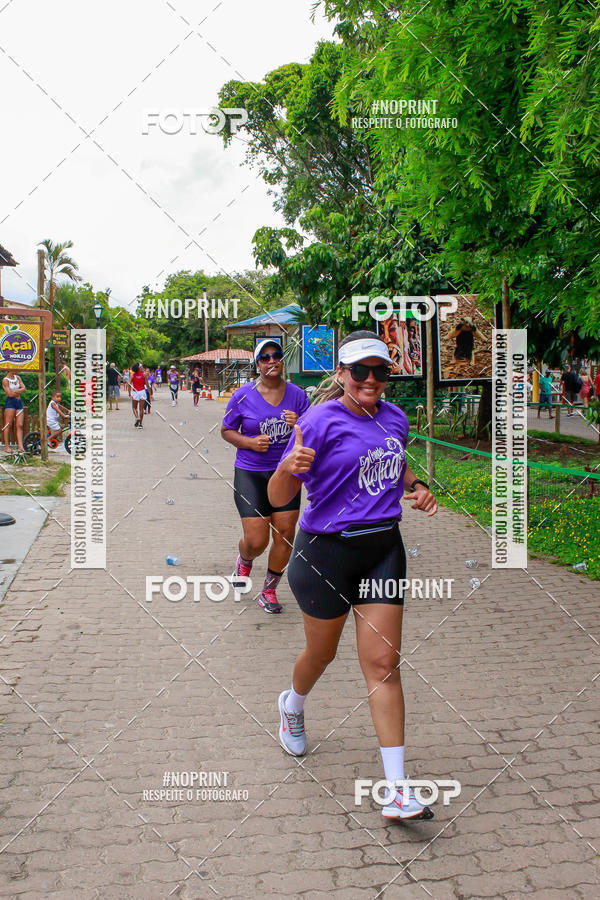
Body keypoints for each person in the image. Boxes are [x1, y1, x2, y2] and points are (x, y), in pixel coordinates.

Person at [268, 331, 438, 821]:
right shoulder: (319, 421)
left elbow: (395, 459)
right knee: (321, 654)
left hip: (384, 548)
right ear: (341, 374)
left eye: (379, 371)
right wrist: (289, 467)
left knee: (384, 664)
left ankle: (398, 789)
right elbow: (280, 494)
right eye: (359, 371)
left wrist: (419, 486)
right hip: (325, 554)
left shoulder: (395, 417)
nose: (370, 380)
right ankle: (293, 704)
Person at [221, 339, 310, 613]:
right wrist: (249, 443)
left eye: (276, 356)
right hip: (251, 473)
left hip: (285, 474)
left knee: (285, 534)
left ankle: (269, 590)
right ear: (257, 364)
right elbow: (226, 429)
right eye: (265, 358)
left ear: (282, 360)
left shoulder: (297, 395)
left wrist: (300, 423)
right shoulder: (242, 396)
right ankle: (244, 560)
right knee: (257, 541)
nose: (272, 361)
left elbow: (313, 430)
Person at [2, 369, 26, 453]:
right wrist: (18, 392)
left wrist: (15, 391)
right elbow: (9, 394)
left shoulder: (18, 377)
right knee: (8, 424)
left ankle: (20, 446)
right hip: (10, 403)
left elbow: (24, 389)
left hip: (18, 402)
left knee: (19, 424)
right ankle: (7, 447)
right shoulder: (5, 380)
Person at [129, 362, 149, 428]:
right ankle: (140, 424)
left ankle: (137, 417)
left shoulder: (132, 375)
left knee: (134, 407)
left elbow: (129, 384)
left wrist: (129, 393)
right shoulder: (143, 375)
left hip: (135, 392)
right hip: (142, 392)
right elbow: (147, 385)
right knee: (141, 409)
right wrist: (150, 394)